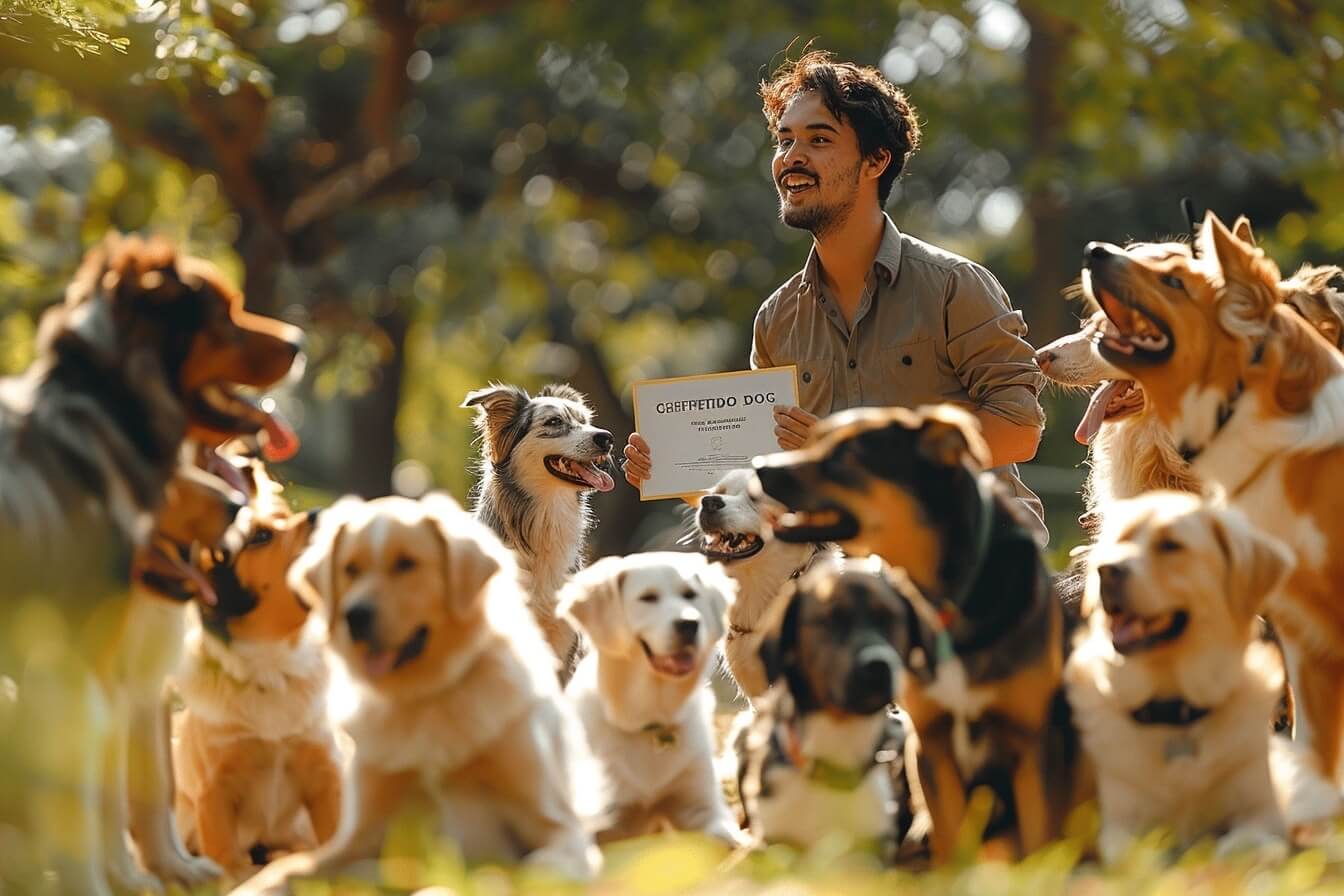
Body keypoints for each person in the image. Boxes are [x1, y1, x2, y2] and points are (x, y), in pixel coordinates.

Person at [623, 49, 1049, 545]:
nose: (791, 158)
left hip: (975, 556)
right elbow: (767, 478)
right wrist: (678, 468)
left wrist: (852, 458)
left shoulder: (955, 286)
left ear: (876, 161)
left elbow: (1019, 428)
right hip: (849, 573)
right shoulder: (777, 320)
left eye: (818, 139)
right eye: (784, 141)